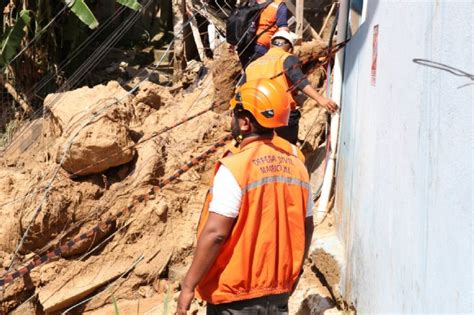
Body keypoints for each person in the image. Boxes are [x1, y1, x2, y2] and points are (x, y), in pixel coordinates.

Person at [176, 79, 314, 314]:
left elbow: (216, 233)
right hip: (278, 293)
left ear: (245, 122)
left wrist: (189, 286)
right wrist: (295, 273)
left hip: (235, 296)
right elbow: (307, 226)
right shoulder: (298, 166)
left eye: (234, 114)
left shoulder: (236, 167)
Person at [244, 30, 339, 144]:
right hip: (280, 116)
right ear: (290, 49)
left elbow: (241, 90)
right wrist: (321, 99)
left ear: (270, 46)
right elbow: (299, 80)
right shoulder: (287, 58)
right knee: (286, 150)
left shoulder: (252, 65)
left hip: (253, 115)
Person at [238, 0, 289, 68]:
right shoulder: (279, 6)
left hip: (243, 44)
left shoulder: (252, 2)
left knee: (246, 72)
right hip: (261, 48)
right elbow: (283, 31)